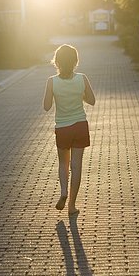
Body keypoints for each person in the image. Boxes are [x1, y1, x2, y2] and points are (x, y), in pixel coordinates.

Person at [43, 44, 96, 215]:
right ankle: (72, 205)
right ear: (75, 61)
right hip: (80, 126)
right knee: (76, 166)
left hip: (62, 127)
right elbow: (92, 100)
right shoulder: (82, 79)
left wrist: (57, 95)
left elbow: (46, 107)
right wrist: (79, 94)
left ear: (56, 62)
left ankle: (63, 191)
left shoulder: (52, 81)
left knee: (63, 163)